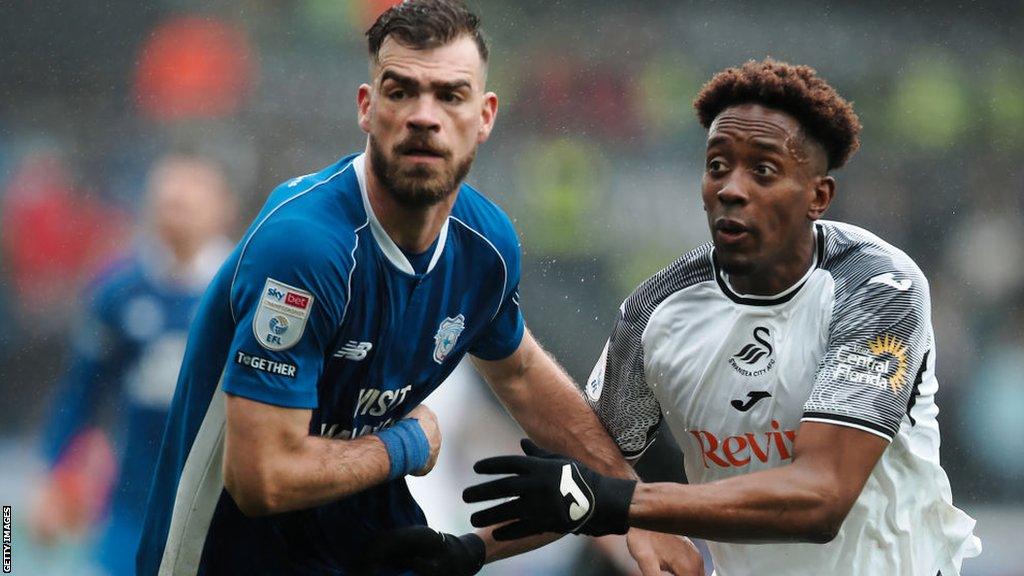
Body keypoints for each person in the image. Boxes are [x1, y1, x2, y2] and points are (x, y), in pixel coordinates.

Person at [136, 1, 700, 575]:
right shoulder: (306, 249)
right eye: (401, 91)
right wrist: (406, 445)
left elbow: (523, 374)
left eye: (449, 96)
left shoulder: (486, 245)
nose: (423, 116)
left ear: (485, 116)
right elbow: (262, 479)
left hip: (370, 553)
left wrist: (637, 508)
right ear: (366, 107)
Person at [464, 59, 983, 576]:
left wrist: (620, 504)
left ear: (818, 197)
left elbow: (822, 498)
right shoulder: (655, 311)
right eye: (717, 166)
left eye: (763, 170)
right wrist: (464, 552)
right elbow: (593, 474)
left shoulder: (875, 285)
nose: (731, 189)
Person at [29, 151, 236, 576]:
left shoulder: (242, 288)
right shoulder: (119, 290)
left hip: (221, 500)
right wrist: (52, 475)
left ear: (221, 208)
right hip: (133, 497)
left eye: (188, 202)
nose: (175, 211)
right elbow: (83, 389)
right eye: (166, 201)